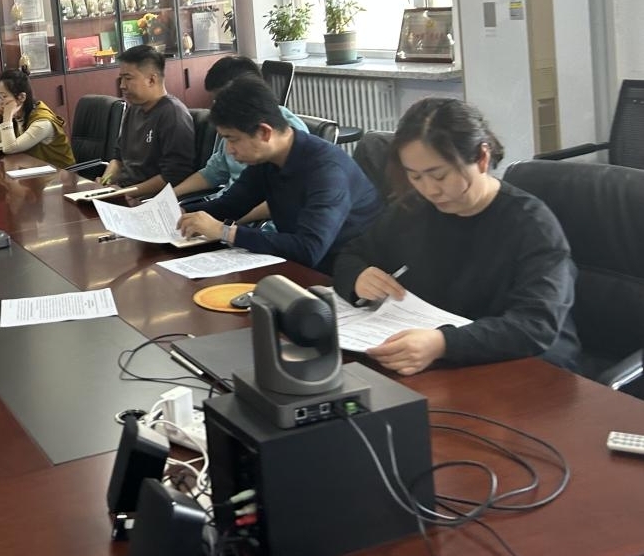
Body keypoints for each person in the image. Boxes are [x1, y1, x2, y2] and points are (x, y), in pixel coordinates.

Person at [333, 97, 579, 375]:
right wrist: (358, 277)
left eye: (439, 176)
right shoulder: (415, 208)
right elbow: (353, 254)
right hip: (444, 358)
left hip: (529, 367)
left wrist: (443, 343)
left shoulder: (532, 225)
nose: (430, 190)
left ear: (482, 158)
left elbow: (536, 325)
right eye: (415, 177)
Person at [177, 76, 382, 271]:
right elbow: (230, 205)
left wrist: (224, 232)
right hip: (299, 265)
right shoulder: (268, 160)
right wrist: (181, 213)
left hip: (348, 274)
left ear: (264, 132)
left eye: (233, 139)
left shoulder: (327, 170)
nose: (229, 150)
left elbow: (308, 249)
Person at [173, 57, 309, 228]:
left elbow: (282, 201)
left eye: (221, 99)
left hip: (256, 226)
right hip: (226, 212)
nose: (217, 107)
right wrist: (170, 197)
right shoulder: (234, 129)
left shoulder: (288, 135)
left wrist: (226, 227)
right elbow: (213, 174)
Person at [98, 45, 195, 197]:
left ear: (151, 80)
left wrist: (125, 193)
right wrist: (105, 182)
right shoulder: (134, 108)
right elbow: (118, 158)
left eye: (128, 78)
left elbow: (173, 176)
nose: (122, 85)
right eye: (121, 78)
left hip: (147, 198)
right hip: (123, 192)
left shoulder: (173, 114)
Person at [0, 67, 75, 168]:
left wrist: (7, 117)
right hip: (36, 171)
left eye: (4, 97)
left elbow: (9, 148)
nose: (0, 102)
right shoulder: (19, 118)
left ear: (22, 97)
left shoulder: (42, 122)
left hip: (61, 174)